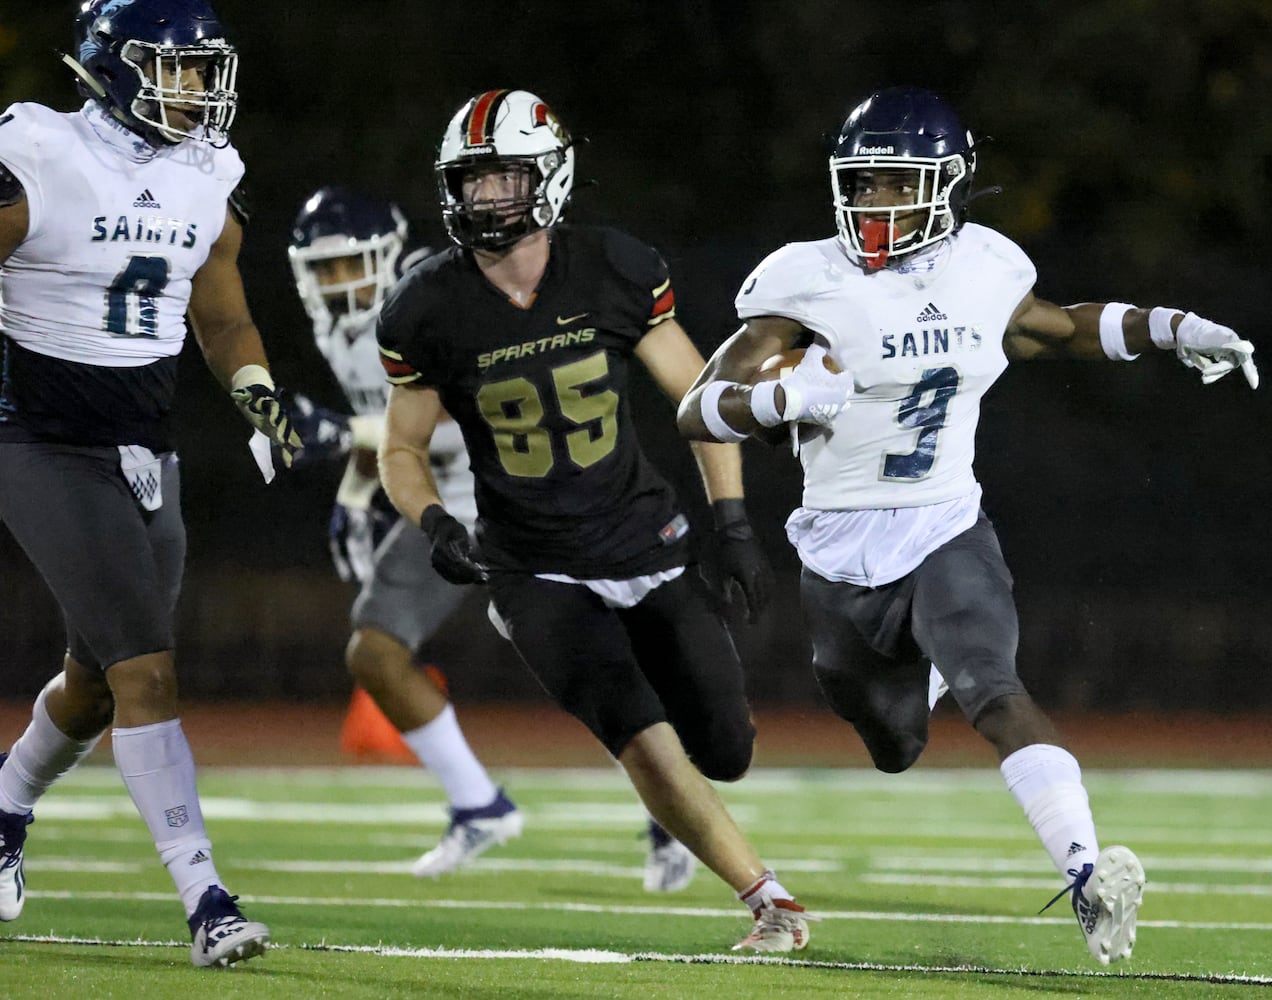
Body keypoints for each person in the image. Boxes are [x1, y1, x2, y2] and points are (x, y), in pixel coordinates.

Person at [678, 85, 1260, 966]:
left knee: (996, 687)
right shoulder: (804, 279)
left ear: (946, 185)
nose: (876, 204)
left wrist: (1173, 328)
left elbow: (1059, 329)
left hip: (945, 522)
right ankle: (919, 681)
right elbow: (694, 409)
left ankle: (1086, 874)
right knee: (893, 742)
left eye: (897, 184)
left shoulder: (983, 266)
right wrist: (775, 397)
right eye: (863, 185)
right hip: (838, 550)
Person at [376, 88, 804, 951]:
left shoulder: (614, 267)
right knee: (636, 730)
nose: (485, 199)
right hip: (530, 564)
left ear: (550, 174)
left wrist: (730, 524)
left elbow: (701, 401)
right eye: (471, 182)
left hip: (644, 540)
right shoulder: (424, 307)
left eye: (503, 179)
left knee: (723, 747)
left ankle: (692, 799)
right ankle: (768, 899)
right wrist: (432, 523)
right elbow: (400, 451)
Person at [283, 186, 697, 891]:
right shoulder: (344, 330)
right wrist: (356, 495)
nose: (337, 284)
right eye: (322, 271)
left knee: (598, 669)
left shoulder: (433, 300)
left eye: (348, 265)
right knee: (375, 652)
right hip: (445, 513)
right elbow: (388, 437)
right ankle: (478, 805)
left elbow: (459, 415)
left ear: (386, 256)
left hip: (525, 503)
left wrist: (341, 439)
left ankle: (674, 814)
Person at [0, 0, 301, 968]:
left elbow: (222, 321)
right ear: (114, 66)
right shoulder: (37, 148)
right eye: (177, 70)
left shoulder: (209, 173)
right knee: (148, 668)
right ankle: (206, 898)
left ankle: (3, 814)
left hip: (142, 448)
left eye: (205, 71)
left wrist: (260, 401)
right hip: (38, 438)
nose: (198, 90)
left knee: (94, 684)